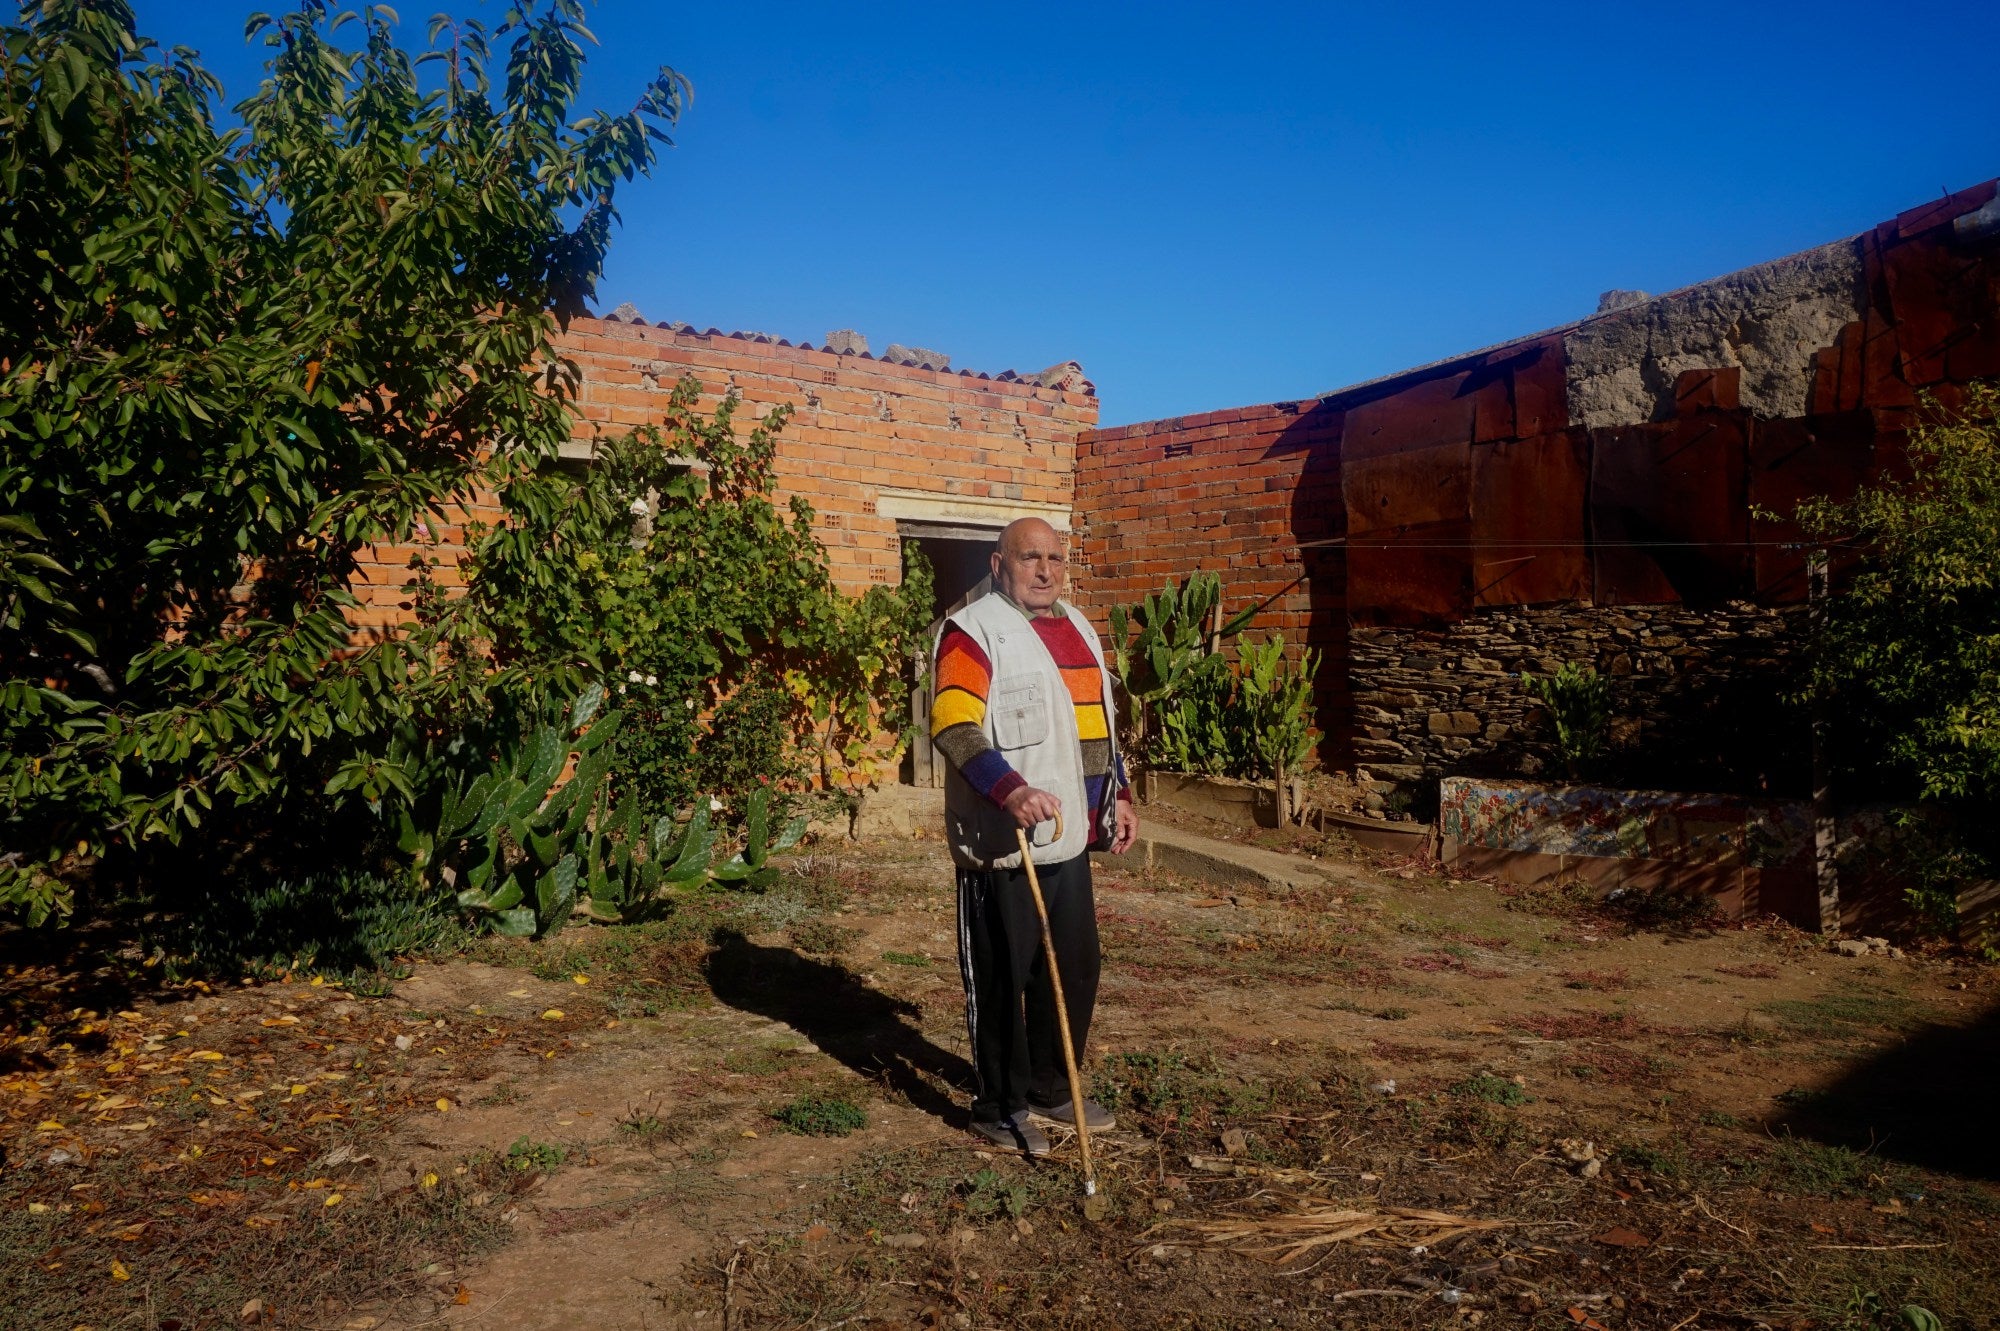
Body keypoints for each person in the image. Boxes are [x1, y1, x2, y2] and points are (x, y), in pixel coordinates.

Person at [929, 516, 1138, 1156]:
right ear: (999, 565)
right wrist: (1010, 789)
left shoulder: (1077, 627)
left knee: (1073, 969)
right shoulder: (973, 632)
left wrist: (1120, 796)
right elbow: (953, 724)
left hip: (1065, 837)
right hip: (1001, 843)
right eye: (1029, 558)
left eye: (1054, 558)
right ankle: (998, 1105)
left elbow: (1094, 727)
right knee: (1001, 976)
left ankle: (1050, 1087)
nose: (1045, 571)